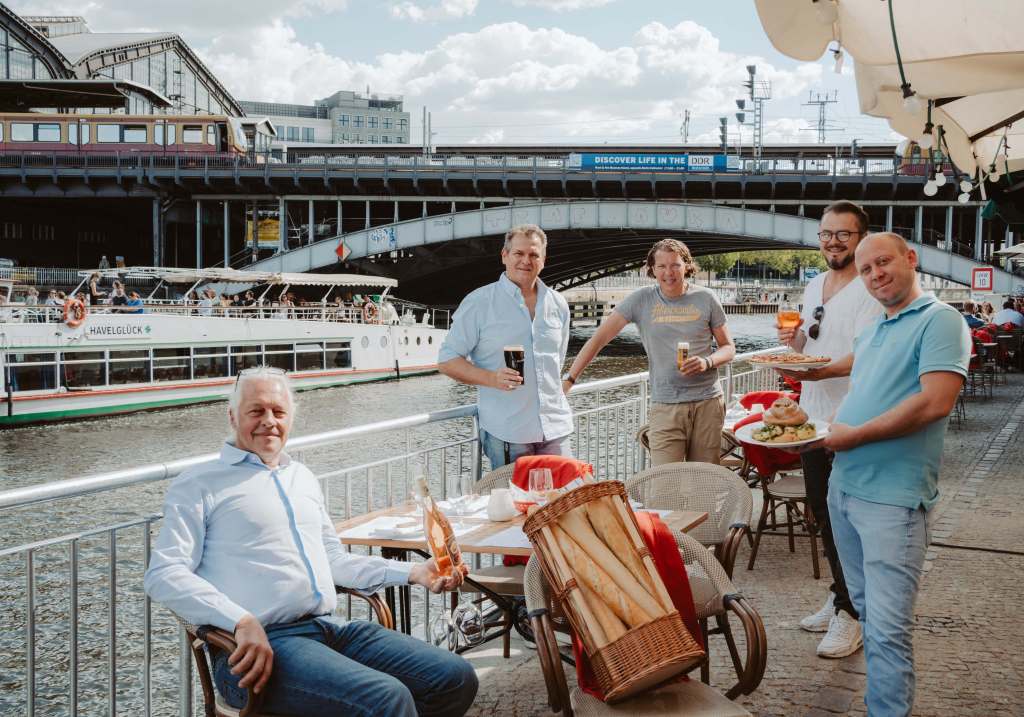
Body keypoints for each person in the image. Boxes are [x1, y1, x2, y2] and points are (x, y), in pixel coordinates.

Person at [144, 368, 478, 716]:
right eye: (256, 411)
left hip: (329, 629)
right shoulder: (200, 484)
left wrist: (414, 572)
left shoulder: (300, 477)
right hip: (261, 648)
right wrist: (241, 621)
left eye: (278, 411)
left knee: (455, 677)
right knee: (387, 698)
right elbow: (163, 573)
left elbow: (333, 560)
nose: (269, 421)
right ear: (232, 416)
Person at [802, 233, 970, 715]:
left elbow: (935, 402)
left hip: (893, 500)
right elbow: (864, 385)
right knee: (864, 607)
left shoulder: (941, 320)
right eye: (867, 268)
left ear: (910, 259)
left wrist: (853, 437)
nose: (876, 274)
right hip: (844, 488)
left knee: (888, 629)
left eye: (884, 262)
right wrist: (824, 416)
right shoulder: (875, 327)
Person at [776, 200, 881, 659]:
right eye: (826, 234)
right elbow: (809, 341)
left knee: (848, 520)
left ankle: (853, 614)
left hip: (850, 418)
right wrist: (791, 345)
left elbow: (866, 355)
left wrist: (815, 373)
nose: (833, 241)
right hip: (811, 417)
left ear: (862, 238)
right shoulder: (816, 283)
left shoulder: (869, 287)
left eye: (843, 234)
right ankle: (843, 595)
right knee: (821, 511)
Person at [565, 238, 735, 465]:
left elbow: (728, 348)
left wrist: (707, 362)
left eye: (675, 265)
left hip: (708, 403)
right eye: (661, 266)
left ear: (687, 265)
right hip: (665, 405)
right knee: (663, 486)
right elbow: (598, 339)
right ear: (652, 270)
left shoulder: (706, 298)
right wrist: (569, 379)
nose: (669, 272)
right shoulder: (642, 299)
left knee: (702, 482)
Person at [439, 224, 573, 469]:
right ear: (504, 256)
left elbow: (557, 361)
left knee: (564, 504)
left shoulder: (558, 304)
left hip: (555, 430)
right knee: (513, 506)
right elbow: (447, 360)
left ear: (543, 259)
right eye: (518, 254)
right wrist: (491, 378)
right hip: (509, 432)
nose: (526, 261)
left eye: (534, 255)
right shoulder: (480, 302)